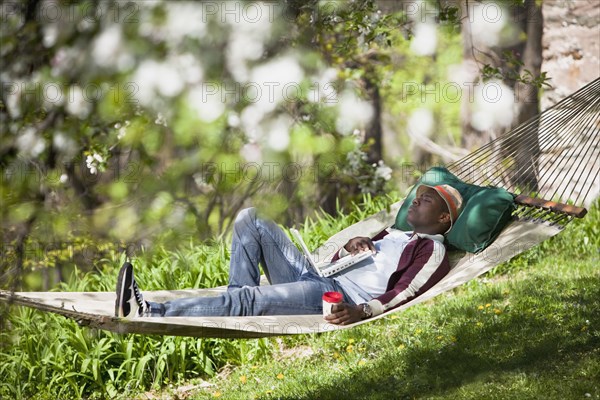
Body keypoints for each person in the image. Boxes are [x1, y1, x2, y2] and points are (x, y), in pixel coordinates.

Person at [115, 184, 463, 325]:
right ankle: (240, 304)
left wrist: (362, 311)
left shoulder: (432, 248)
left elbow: (407, 289)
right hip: (318, 274)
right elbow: (364, 261)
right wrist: (351, 245)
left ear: (444, 218)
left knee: (250, 299)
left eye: (426, 199)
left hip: (335, 296)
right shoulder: (393, 233)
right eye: (416, 196)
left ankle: (149, 311)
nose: (415, 200)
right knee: (250, 218)